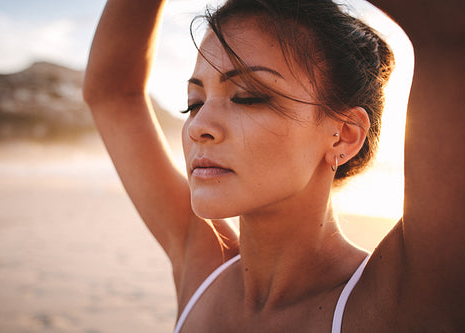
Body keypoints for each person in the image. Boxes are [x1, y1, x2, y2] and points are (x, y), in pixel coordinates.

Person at [83, 0, 464, 331]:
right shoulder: (203, 273)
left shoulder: (402, 300)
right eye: (194, 102)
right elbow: (113, 91)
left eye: (248, 97)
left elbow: (448, 33)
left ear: (344, 135)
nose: (199, 126)